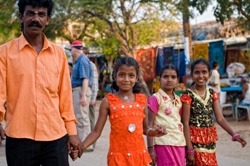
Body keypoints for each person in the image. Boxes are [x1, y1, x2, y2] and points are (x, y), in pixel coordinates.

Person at [0, 0, 81, 165]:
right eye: (30, 13)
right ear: (21, 17)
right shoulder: (5, 52)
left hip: (55, 136)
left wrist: (72, 132)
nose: (35, 19)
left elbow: (65, 97)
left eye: (41, 14)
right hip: (19, 136)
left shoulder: (58, 54)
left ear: (48, 19)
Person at [70, 56, 167, 165]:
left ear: (136, 78)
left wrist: (154, 132)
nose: (126, 79)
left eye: (131, 75)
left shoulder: (142, 100)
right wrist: (81, 147)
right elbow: (96, 131)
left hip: (138, 155)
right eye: (122, 75)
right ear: (114, 76)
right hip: (118, 157)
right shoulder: (108, 101)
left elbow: (144, 128)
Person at [180, 58, 247, 166]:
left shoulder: (212, 94)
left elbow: (220, 118)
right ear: (191, 74)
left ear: (209, 74)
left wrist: (234, 135)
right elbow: (185, 123)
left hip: (209, 141)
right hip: (195, 141)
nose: (201, 76)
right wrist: (189, 149)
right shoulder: (188, 95)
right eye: (197, 72)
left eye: (204, 72)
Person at [147, 64, 186, 166]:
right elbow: (149, 125)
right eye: (165, 77)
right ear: (160, 80)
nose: (169, 80)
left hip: (179, 143)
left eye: (173, 77)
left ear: (177, 80)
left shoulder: (179, 100)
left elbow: (180, 121)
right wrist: (150, 149)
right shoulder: (155, 98)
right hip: (162, 143)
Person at [70, 40, 93, 152]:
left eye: (71, 50)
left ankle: (85, 143)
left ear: (75, 49)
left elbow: (85, 79)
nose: (71, 52)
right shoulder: (80, 60)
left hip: (80, 90)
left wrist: (83, 95)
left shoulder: (83, 60)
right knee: (80, 116)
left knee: (82, 117)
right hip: (79, 90)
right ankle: (82, 142)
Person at [83, 47, 99, 148]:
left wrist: (93, 97)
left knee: (91, 120)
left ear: (87, 55)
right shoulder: (81, 65)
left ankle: (92, 142)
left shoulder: (91, 65)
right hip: (85, 97)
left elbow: (94, 82)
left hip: (90, 96)